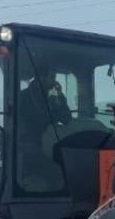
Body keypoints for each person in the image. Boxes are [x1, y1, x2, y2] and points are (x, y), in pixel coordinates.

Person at [16, 63, 73, 192]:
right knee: (56, 172)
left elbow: (66, 119)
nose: (54, 81)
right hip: (31, 145)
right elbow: (18, 122)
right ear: (40, 78)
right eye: (51, 77)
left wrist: (60, 98)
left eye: (54, 77)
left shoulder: (54, 98)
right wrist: (29, 139)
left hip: (52, 143)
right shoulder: (23, 97)